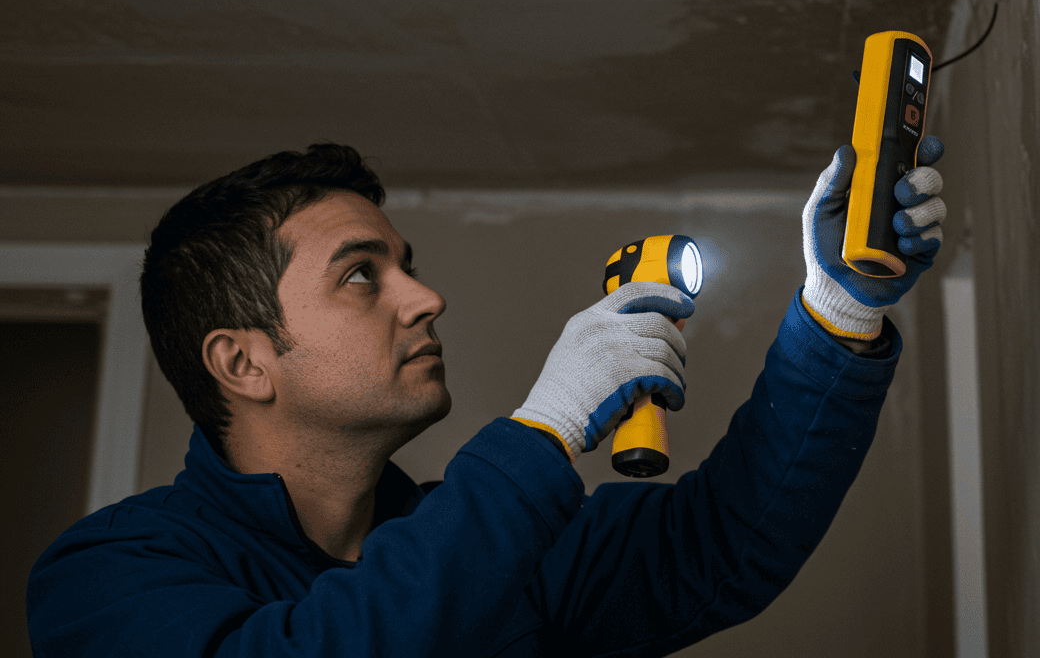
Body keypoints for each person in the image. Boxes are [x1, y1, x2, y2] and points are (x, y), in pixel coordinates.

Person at [27, 137, 946, 657]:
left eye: (407, 266)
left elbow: (722, 546)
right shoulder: (107, 576)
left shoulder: (510, 544)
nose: (425, 297)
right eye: (360, 275)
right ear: (243, 363)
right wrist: (543, 433)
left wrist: (840, 309)